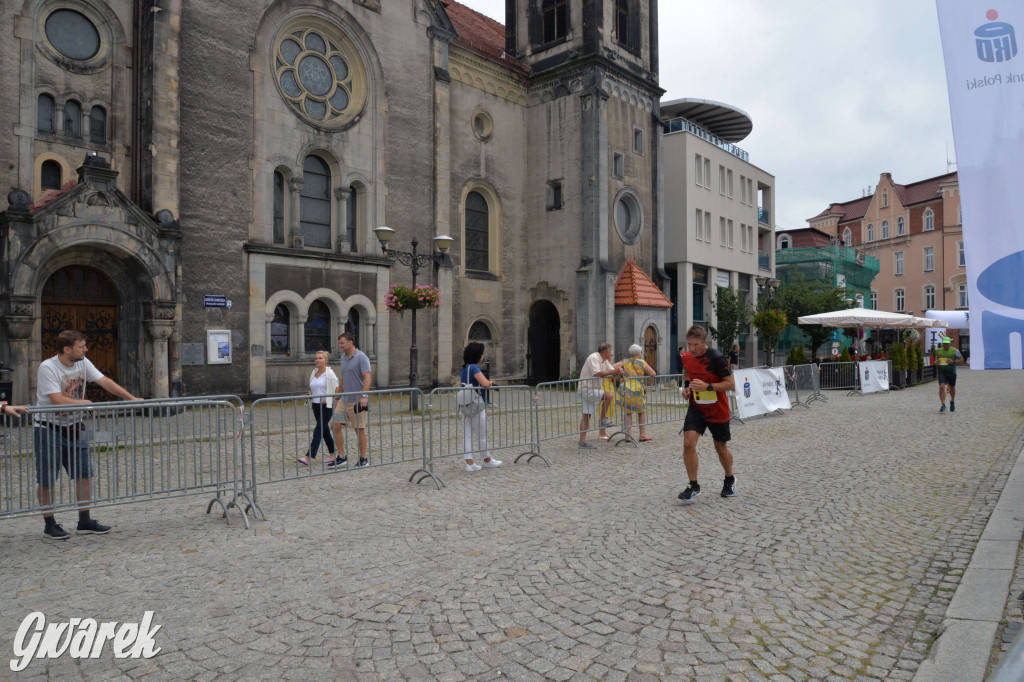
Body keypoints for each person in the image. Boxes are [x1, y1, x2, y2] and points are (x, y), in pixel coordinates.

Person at [34, 330, 140, 540]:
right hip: (48, 428)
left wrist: (131, 398)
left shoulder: (83, 363)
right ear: (67, 349)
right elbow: (56, 399)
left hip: (74, 427)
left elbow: (104, 381)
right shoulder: (48, 367)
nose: (86, 349)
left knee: (84, 474)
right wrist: (85, 403)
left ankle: (85, 521)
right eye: (81, 346)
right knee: (47, 478)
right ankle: (50, 524)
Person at [677, 325, 737, 503]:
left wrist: (708, 387)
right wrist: (687, 388)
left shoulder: (716, 358)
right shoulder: (686, 357)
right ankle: (693, 485)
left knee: (720, 446)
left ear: (705, 342)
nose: (692, 349)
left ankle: (729, 479)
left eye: (696, 344)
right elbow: (688, 374)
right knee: (688, 443)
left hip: (718, 409)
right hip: (697, 407)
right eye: (689, 344)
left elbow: (731, 384)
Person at [331, 332, 371, 468]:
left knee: (358, 429)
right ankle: (341, 456)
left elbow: (367, 377)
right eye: (339, 343)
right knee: (335, 425)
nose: (340, 346)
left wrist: (364, 396)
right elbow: (343, 378)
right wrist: (337, 397)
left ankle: (363, 458)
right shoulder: (343, 358)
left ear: (351, 342)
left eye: (342, 343)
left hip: (357, 400)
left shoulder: (361, 357)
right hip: (344, 399)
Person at [459, 342, 502, 472]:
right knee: (481, 434)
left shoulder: (464, 368)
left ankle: (469, 462)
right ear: (478, 355)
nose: (483, 356)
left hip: (466, 405)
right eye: (482, 353)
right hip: (477, 405)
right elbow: (484, 383)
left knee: (468, 434)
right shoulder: (474, 368)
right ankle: (487, 459)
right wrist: (491, 383)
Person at [297, 350, 339, 466]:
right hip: (315, 404)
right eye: (316, 358)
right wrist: (310, 393)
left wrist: (329, 398)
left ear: (325, 360)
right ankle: (332, 454)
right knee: (324, 430)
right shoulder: (314, 372)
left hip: (326, 405)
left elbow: (336, 388)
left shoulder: (330, 374)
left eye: (320, 358)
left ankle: (308, 456)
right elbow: (314, 387)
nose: (317, 360)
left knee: (318, 430)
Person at [577, 343, 622, 448]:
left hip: (591, 389)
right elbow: (596, 373)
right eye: (610, 351)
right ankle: (603, 420)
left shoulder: (604, 360)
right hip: (587, 389)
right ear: (606, 352)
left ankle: (582, 442)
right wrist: (613, 371)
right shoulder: (594, 358)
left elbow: (610, 371)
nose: (611, 353)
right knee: (609, 396)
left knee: (586, 416)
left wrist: (618, 371)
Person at [620, 344, 657, 442]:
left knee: (628, 412)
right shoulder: (642, 362)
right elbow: (653, 373)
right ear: (639, 353)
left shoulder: (625, 362)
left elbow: (612, 367)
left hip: (626, 388)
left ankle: (628, 435)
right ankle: (642, 435)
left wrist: (619, 372)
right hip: (637, 388)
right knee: (641, 411)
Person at [934, 336, 964, 413]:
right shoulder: (939, 350)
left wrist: (953, 362)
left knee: (952, 387)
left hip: (951, 372)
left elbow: (962, 359)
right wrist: (936, 362)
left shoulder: (955, 351)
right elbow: (937, 359)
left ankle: (952, 401)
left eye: (947, 344)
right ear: (942, 344)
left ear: (950, 343)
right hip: (942, 371)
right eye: (944, 344)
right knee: (942, 386)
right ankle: (943, 404)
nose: (946, 345)